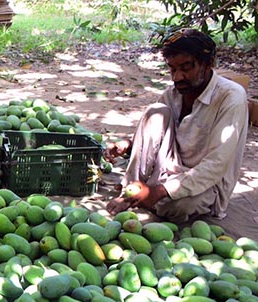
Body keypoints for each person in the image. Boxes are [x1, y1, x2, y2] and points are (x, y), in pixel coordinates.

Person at [106, 28, 249, 222]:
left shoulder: (231, 98)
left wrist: (159, 192)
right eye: (172, 69)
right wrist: (129, 144)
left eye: (186, 68)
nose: (177, 77)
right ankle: (132, 190)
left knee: (180, 206)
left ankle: (148, 196)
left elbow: (215, 166)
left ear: (209, 64)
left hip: (205, 185)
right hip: (166, 171)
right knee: (155, 111)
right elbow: (155, 132)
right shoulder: (173, 93)